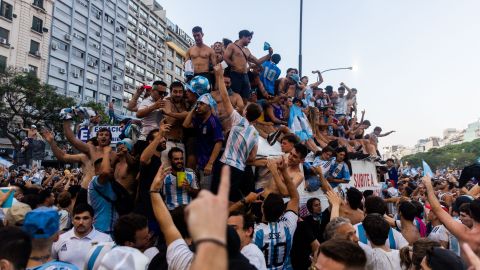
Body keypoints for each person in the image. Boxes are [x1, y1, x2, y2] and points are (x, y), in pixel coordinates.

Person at [215, 64, 261, 201]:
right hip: (240, 169)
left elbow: (224, 96)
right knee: (231, 199)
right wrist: (241, 159)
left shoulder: (238, 119)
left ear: (245, 112)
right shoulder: (255, 134)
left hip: (226, 164)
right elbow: (252, 158)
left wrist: (219, 76)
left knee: (220, 197)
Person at [253, 163, 299, 270]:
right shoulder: (288, 226)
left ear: (262, 208)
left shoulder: (254, 231)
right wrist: (284, 171)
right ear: (283, 211)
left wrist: (244, 201)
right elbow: (295, 198)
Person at [423, 175, 480, 256]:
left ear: (470, 214)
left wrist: (428, 185)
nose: (460, 218)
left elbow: (438, 210)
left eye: (463, 215)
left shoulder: (466, 233)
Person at [183, 90, 224, 191]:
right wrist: (193, 109)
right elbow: (185, 125)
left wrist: (210, 163)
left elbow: (218, 143)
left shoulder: (213, 121)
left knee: (205, 192)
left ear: (209, 106)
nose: (198, 106)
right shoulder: (199, 120)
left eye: (201, 104)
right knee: (197, 189)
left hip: (208, 165)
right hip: (200, 162)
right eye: (197, 104)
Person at [52, 204, 112, 269]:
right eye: (77, 218)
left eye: (85, 218)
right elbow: (50, 265)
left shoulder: (105, 240)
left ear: (93, 220)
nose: (81, 222)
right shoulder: (59, 239)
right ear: (72, 220)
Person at [224, 30, 273, 100]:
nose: (250, 41)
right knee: (234, 96)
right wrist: (233, 65)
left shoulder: (247, 50)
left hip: (245, 76)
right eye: (249, 39)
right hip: (235, 74)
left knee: (246, 97)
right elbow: (225, 57)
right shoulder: (232, 46)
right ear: (243, 36)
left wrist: (269, 54)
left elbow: (258, 62)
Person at [87, 147, 118, 234]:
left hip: (111, 230)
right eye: (105, 166)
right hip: (102, 230)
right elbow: (105, 172)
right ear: (96, 171)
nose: (110, 169)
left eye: (111, 166)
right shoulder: (96, 182)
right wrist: (106, 152)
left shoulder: (109, 183)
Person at [159, 81, 188, 167]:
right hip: (168, 142)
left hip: (181, 143)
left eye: (180, 92)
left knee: (181, 172)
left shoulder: (185, 103)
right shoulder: (167, 102)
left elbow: (189, 116)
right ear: (170, 92)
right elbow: (170, 121)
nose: (178, 94)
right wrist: (183, 115)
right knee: (166, 172)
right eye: (175, 91)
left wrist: (171, 113)